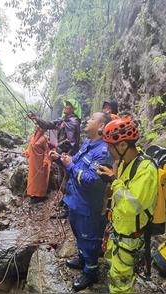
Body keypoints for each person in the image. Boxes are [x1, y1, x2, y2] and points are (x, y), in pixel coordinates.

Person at [49, 112, 112, 291]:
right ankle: (82, 258)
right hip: (75, 202)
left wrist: (69, 165)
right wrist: (60, 159)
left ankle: (90, 272)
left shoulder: (104, 152)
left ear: (101, 126)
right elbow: (73, 161)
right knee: (78, 234)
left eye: (92, 118)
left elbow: (92, 180)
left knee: (89, 239)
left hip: (88, 206)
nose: (87, 120)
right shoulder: (88, 144)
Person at [97, 117, 158, 293]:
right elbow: (122, 191)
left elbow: (132, 205)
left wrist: (113, 181)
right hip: (119, 231)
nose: (108, 150)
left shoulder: (146, 169)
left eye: (110, 146)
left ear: (123, 145)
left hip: (130, 237)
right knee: (116, 274)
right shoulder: (126, 163)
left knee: (122, 283)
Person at [23, 125, 51, 202]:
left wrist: (45, 160)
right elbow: (30, 147)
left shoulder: (44, 138)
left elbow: (47, 151)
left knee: (40, 179)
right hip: (33, 161)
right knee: (32, 177)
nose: (36, 127)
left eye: (38, 126)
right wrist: (27, 152)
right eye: (35, 126)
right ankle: (33, 193)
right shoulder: (33, 136)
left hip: (40, 162)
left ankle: (40, 196)